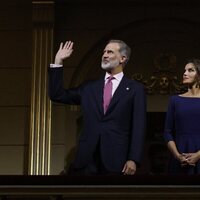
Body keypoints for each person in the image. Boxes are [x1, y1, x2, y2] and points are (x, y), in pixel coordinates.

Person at [49, 39, 146, 175]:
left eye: (110, 52)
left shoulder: (135, 89)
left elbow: (138, 127)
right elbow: (57, 95)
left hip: (117, 160)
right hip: (86, 159)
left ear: (122, 58)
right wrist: (58, 61)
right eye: (104, 52)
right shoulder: (89, 87)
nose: (105, 55)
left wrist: (133, 159)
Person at [164, 58, 200, 175]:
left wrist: (198, 155)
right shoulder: (175, 100)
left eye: (190, 70)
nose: (185, 73)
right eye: (184, 70)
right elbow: (167, 132)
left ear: (198, 75)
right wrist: (177, 156)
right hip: (179, 156)